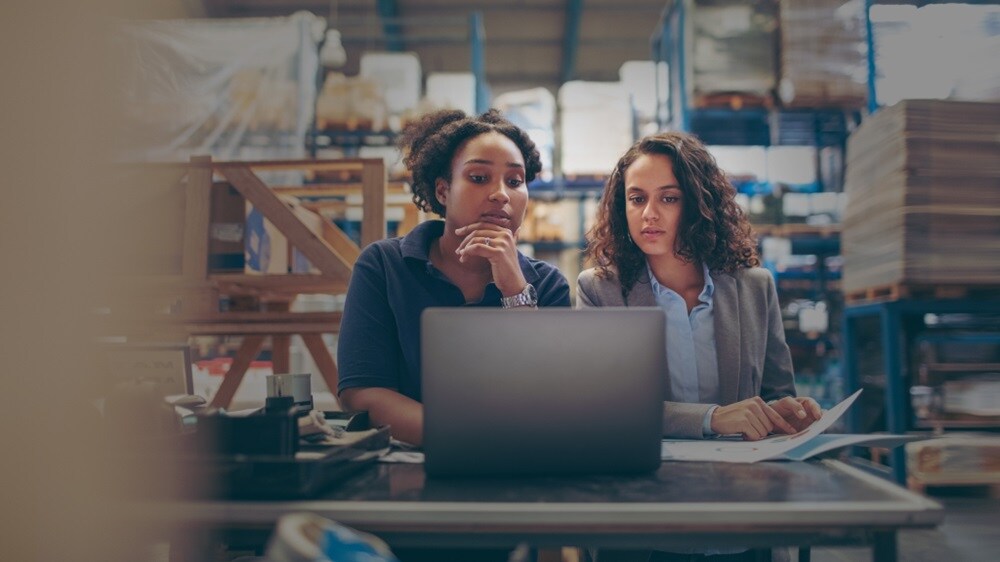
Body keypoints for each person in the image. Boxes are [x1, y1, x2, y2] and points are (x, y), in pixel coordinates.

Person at [577, 132, 821, 562]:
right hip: (641, 526)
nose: (649, 214)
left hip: (741, 521)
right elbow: (603, 411)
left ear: (698, 203)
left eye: (668, 199)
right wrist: (713, 418)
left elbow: (775, 391)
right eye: (636, 199)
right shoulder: (600, 290)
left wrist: (786, 413)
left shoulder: (754, 287)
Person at [337, 109, 571, 448]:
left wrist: (515, 291)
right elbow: (362, 392)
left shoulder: (547, 285)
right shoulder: (383, 266)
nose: (501, 194)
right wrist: (467, 440)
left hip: (520, 468)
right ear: (443, 191)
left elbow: (552, 399)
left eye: (515, 181)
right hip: (414, 466)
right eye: (479, 178)